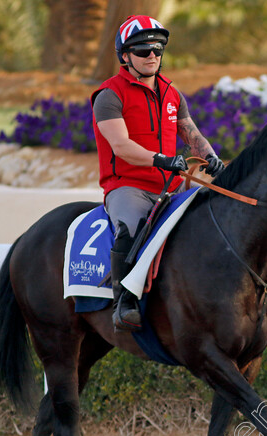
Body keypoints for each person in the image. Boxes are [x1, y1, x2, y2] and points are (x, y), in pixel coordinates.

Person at [92, 15, 225, 332]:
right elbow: (121, 146)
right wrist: (161, 160)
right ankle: (123, 301)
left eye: (157, 49)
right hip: (128, 187)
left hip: (174, 186)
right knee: (131, 227)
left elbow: (190, 133)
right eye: (142, 50)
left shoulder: (172, 94)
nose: (151, 55)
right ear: (125, 56)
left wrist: (210, 156)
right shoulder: (109, 95)